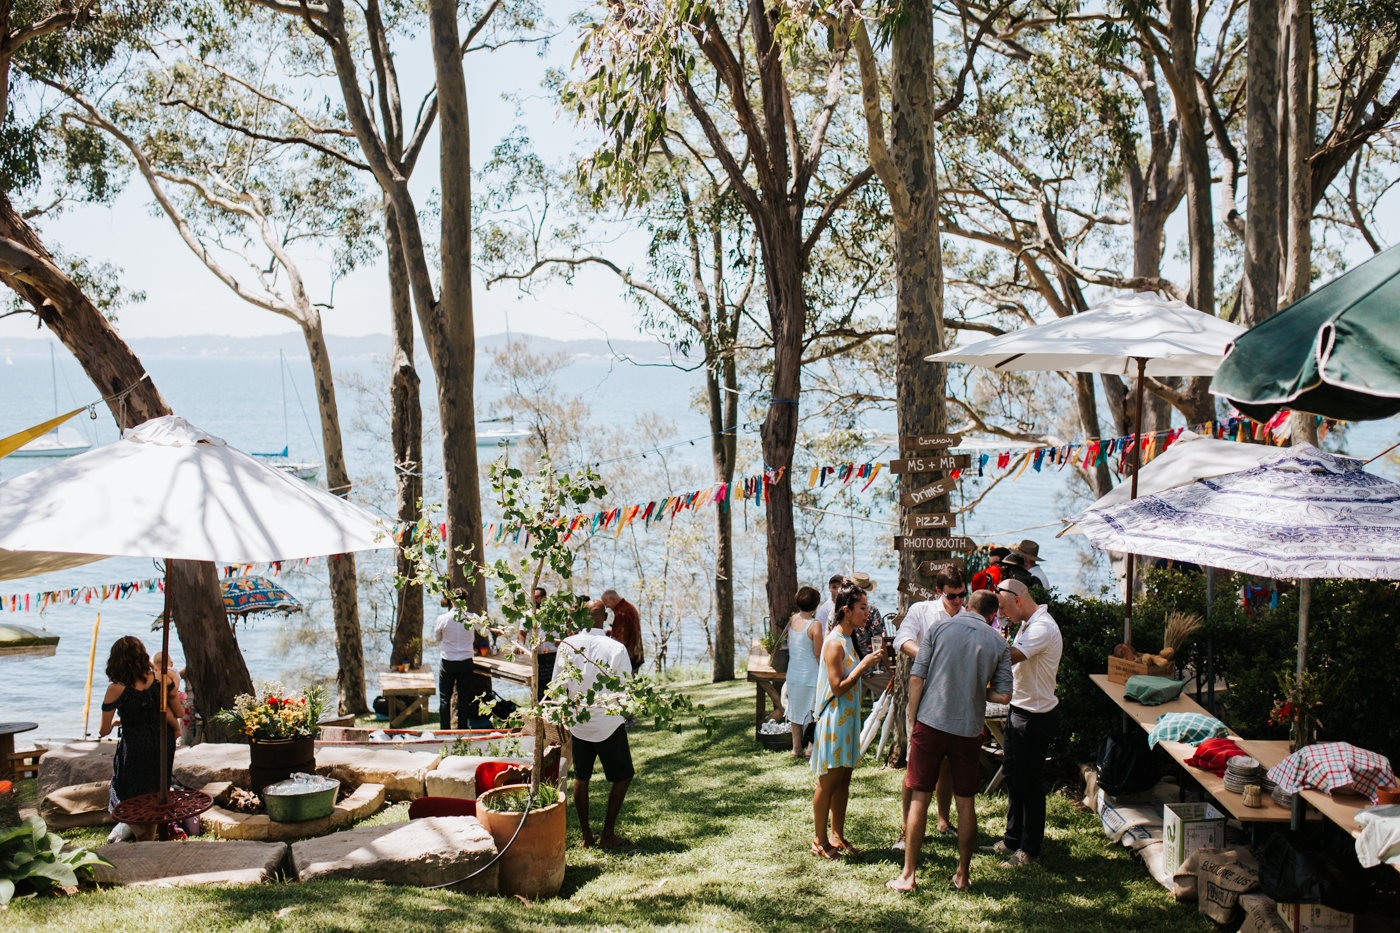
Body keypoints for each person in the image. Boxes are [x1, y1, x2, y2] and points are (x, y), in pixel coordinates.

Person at [887, 580, 1012, 893]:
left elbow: (917, 678)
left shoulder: (939, 630)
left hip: (930, 722)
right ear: (992, 615)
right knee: (966, 801)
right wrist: (976, 684)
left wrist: (914, 719)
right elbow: (1004, 695)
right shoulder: (999, 643)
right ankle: (963, 875)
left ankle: (908, 875)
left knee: (919, 796)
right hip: (969, 728)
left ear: (968, 605)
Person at [985, 578, 1063, 868]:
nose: (1002, 614)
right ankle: (1012, 839)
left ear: (1017, 600)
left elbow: (1010, 656)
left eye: (1003, 608)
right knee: (1012, 775)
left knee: (1030, 784)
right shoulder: (1027, 623)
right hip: (1019, 709)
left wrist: (977, 648)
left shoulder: (1042, 627)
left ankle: (1030, 851)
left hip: (1035, 717)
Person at [890, 567, 968, 849]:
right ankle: (905, 829)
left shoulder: (968, 616)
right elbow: (901, 639)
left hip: (956, 697)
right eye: (952, 596)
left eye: (962, 595)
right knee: (916, 762)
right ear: (939, 592)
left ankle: (944, 821)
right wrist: (931, 655)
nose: (958, 601)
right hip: (923, 694)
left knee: (947, 761)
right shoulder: (921, 611)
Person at [810, 584, 882, 858]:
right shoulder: (833, 643)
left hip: (849, 720)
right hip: (834, 722)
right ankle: (819, 841)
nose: (868, 612)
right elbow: (838, 687)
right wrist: (863, 666)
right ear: (846, 611)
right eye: (862, 608)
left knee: (843, 781)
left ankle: (836, 836)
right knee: (828, 783)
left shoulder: (849, 639)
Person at [557, 607, 635, 849]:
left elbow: (558, 685)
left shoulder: (566, 645)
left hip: (579, 721)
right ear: (606, 618)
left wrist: (565, 714)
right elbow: (626, 687)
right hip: (608, 721)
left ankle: (586, 836)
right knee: (623, 775)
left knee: (582, 776)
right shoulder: (615, 647)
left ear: (581, 618)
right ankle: (608, 833)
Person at [99, 636, 182, 841]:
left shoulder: (115, 689)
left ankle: (141, 835)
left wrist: (116, 723)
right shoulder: (162, 680)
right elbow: (177, 710)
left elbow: (103, 731)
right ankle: (148, 839)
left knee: (122, 793)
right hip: (163, 742)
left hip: (136, 745)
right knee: (155, 793)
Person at [434, 593, 491, 730]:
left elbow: (437, 638)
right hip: (465, 660)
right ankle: (462, 729)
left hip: (448, 660)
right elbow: (486, 632)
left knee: (445, 698)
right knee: (464, 698)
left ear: (452, 601)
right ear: (465, 601)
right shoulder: (471, 617)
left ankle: (444, 730)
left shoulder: (443, 618)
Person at [785, 586, 824, 758]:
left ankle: (796, 748)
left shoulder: (793, 619)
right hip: (810, 675)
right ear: (815, 605)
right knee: (812, 712)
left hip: (793, 673)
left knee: (795, 711)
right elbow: (818, 653)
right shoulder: (815, 625)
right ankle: (810, 748)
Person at [602, 589, 644, 673]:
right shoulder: (630, 606)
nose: (606, 606)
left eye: (606, 603)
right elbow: (627, 630)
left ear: (612, 599)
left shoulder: (622, 612)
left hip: (628, 659)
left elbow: (620, 639)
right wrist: (609, 632)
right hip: (636, 656)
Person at [849, 572, 878, 657]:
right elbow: (878, 639)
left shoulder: (835, 610)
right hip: (869, 660)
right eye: (862, 608)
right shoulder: (873, 610)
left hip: (848, 660)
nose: (866, 613)